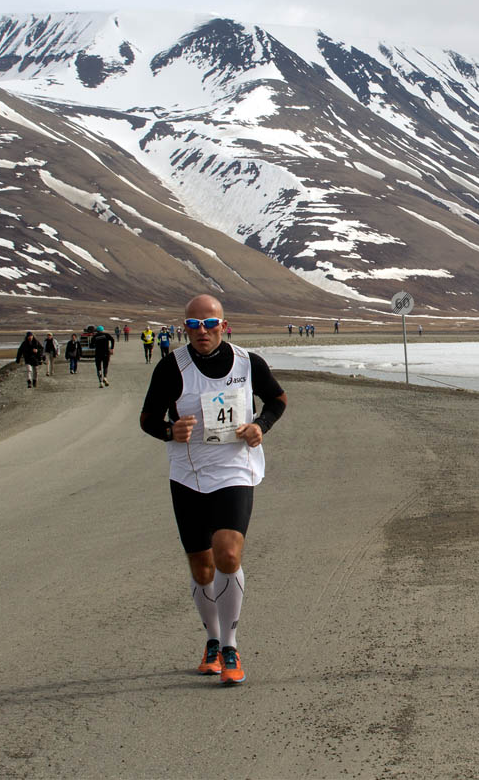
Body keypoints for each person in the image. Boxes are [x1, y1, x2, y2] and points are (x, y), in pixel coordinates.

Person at [139, 294, 287, 686]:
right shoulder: (173, 366)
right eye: (193, 325)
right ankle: (212, 639)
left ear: (224, 324)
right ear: (183, 327)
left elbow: (277, 399)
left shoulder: (247, 362)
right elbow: (147, 418)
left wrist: (261, 426)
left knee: (228, 552)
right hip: (188, 474)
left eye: (209, 324)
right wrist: (170, 431)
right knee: (201, 566)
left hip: (235, 469)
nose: (201, 332)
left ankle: (231, 645)